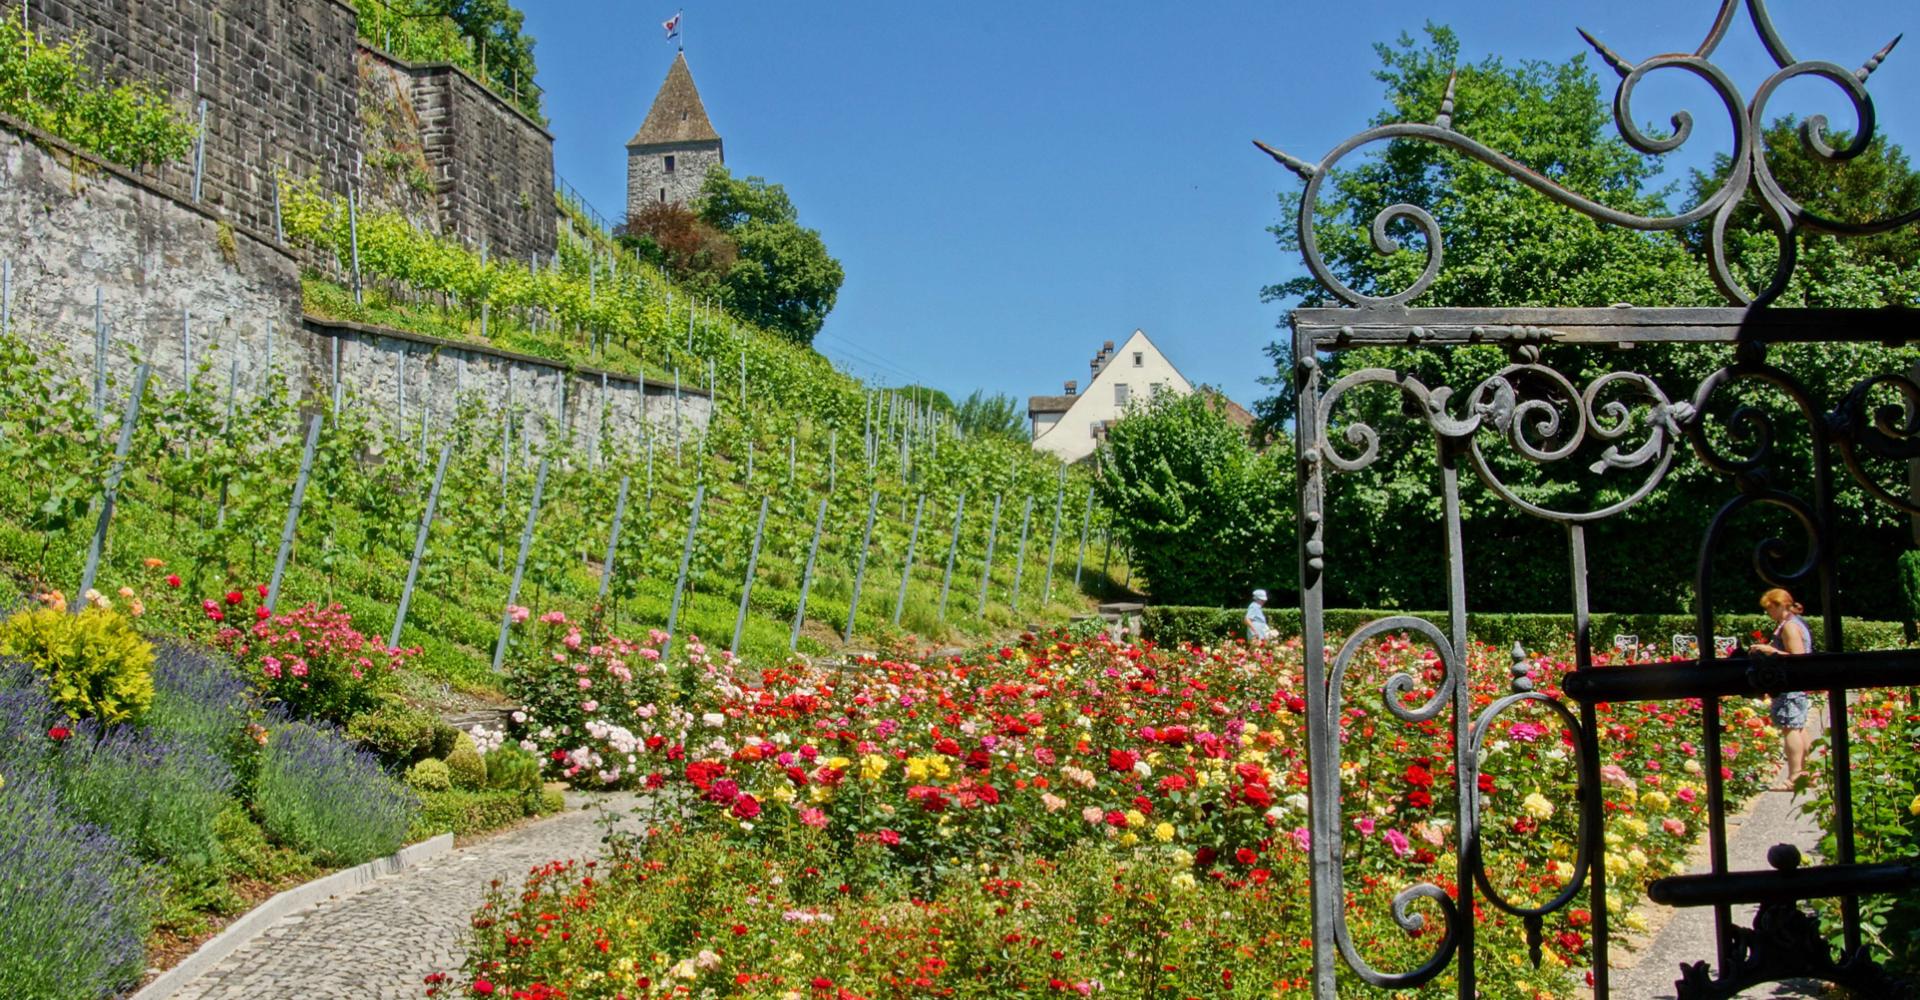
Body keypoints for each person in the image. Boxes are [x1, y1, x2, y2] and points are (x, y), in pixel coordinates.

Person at [1747, 588, 1812, 790]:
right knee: (1799, 727)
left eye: (1769, 609)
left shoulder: (1790, 627)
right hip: (1797, 685)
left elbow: (1797, 657)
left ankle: (1793, 777)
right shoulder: (1795, 623)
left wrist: (1769, 650)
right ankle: (1807, 774)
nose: (1768, 613)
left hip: (1789, 685)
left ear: (1779, 605)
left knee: (1791, 728)